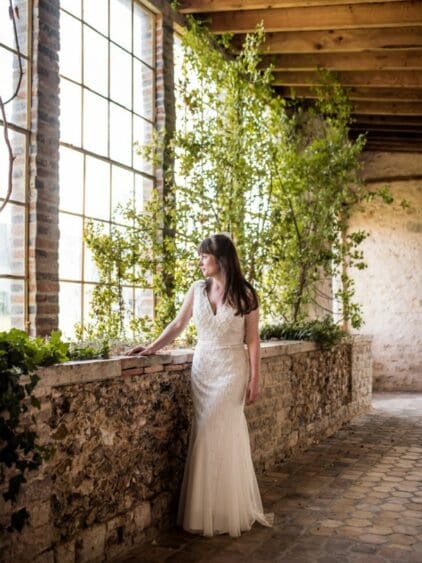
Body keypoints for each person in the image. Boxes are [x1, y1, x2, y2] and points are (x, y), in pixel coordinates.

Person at [126, 233, 274, 537]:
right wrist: (151, 348)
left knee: (217, 433)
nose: (200, 261)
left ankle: (225, 512)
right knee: (205, 433)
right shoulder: (196, 289)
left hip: (232, 370)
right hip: (203, 370)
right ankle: (207, 510)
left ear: (219, 258)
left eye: (203, 256)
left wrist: (255, 378)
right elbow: (178, 325)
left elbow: (253, 341)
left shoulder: (246, 294)